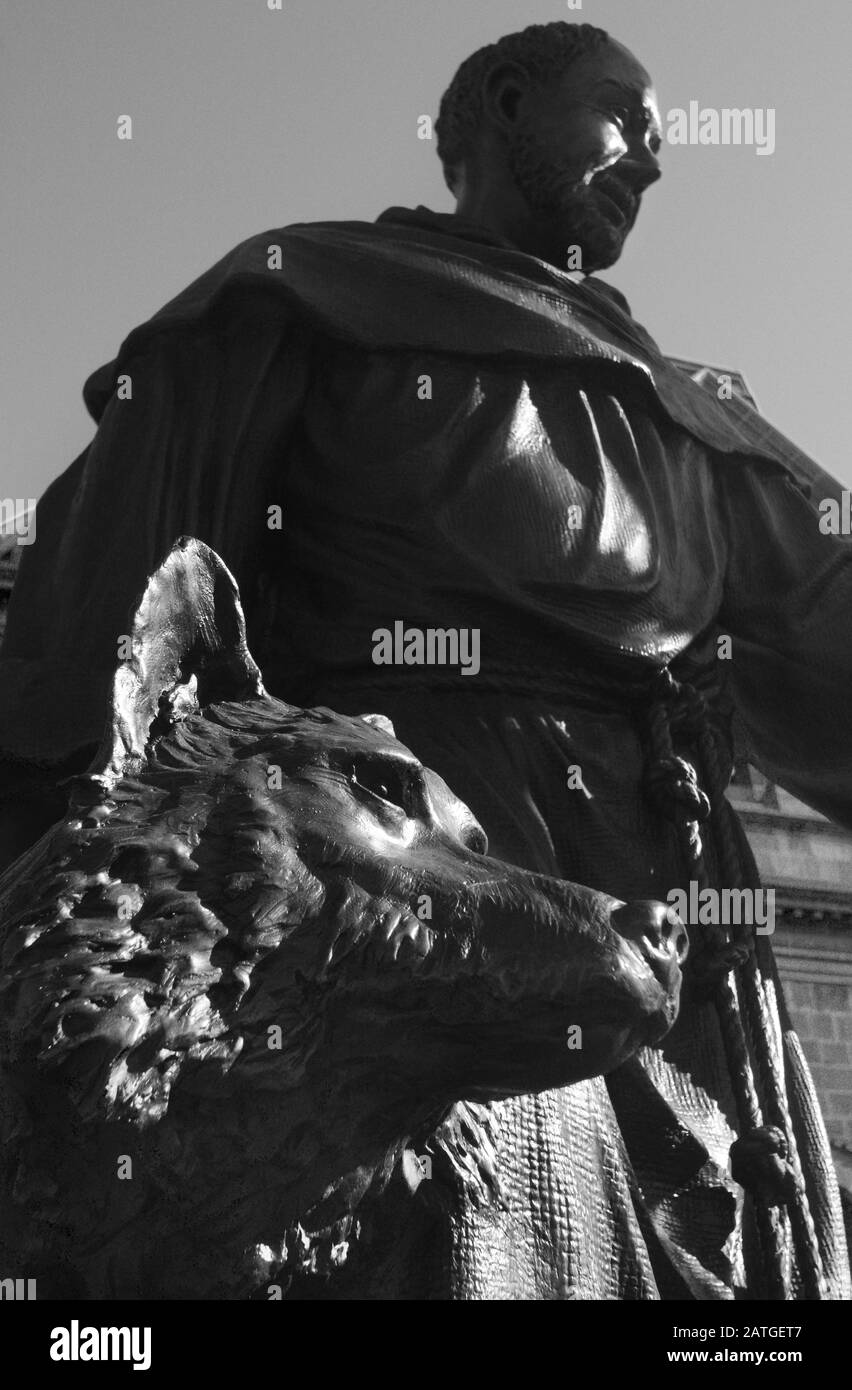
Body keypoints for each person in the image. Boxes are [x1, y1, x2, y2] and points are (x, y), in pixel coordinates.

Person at [1, 21, 849, 1299]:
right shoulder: (306, 299)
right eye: (624, 116)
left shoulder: (688, 416)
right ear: (509, 105)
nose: (655, 161)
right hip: (423, 883)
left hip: (679, 934)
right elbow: (109, 629)